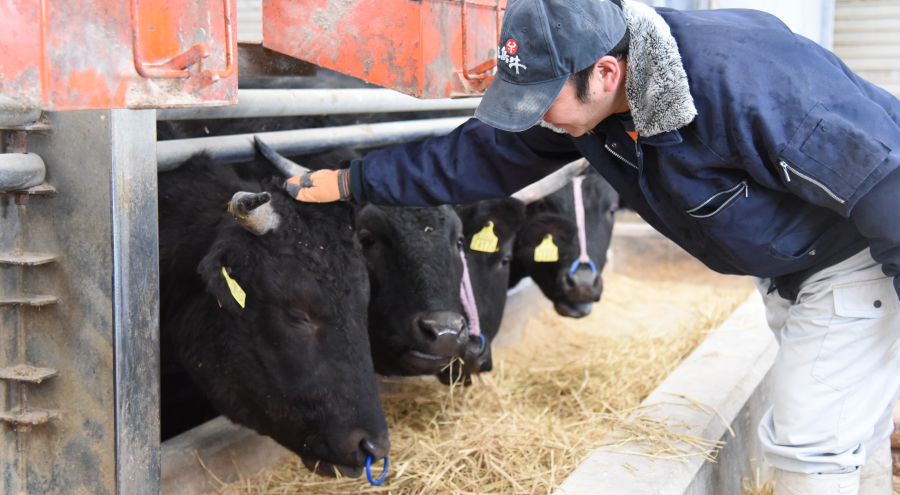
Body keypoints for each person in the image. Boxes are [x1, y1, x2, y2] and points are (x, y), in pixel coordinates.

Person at [283, 0, 900, 493]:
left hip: (852, 261)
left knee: (806, 442)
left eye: (540, 98)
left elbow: (886, 182)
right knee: (851, 434)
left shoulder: (745, 88)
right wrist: (350, 182)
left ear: (606, 72)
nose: (533, 116)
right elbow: (478, 155)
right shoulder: (595, 103)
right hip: (790, 270)